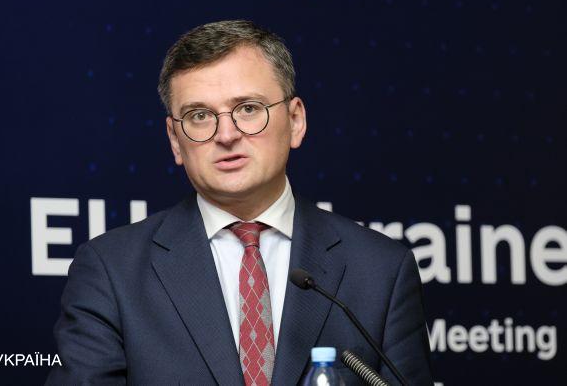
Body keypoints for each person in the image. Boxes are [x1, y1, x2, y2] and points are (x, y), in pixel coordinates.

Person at [46, 20, 433, 385]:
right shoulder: (112, 271)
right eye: (200, 115)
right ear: (175, 141)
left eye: (248, 108)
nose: (226, 134)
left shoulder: (380, 271)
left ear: (295, 121)